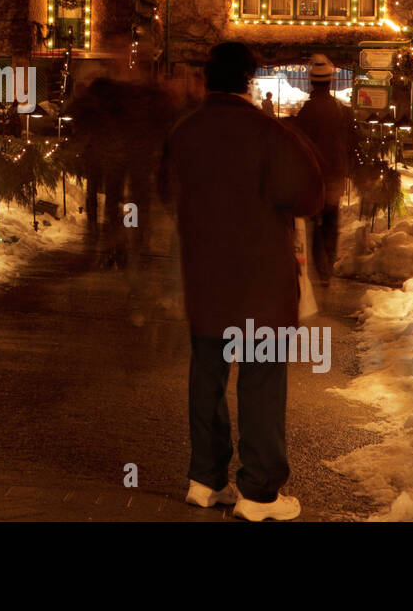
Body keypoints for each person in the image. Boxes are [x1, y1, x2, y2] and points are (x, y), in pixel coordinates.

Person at [158, 42, 323, 521]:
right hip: (261, 285)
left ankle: (205, 480)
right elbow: (307, 195)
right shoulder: (269, 134)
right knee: (261, 384)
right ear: (248, 82)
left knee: (206, 377)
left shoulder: (184, 132)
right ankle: (259, 492)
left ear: (207, 80)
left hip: (205, 281)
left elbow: (166, 189)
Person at [289, 54, 356, 288]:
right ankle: (326, 267)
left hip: (315, 175)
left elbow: (300, 142)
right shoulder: (339, 109)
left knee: (317, 222)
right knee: (330, 219)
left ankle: (321, 270)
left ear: (311, 82)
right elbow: (348, 141)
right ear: (330, 82)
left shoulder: (308, 111)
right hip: (336, 174)